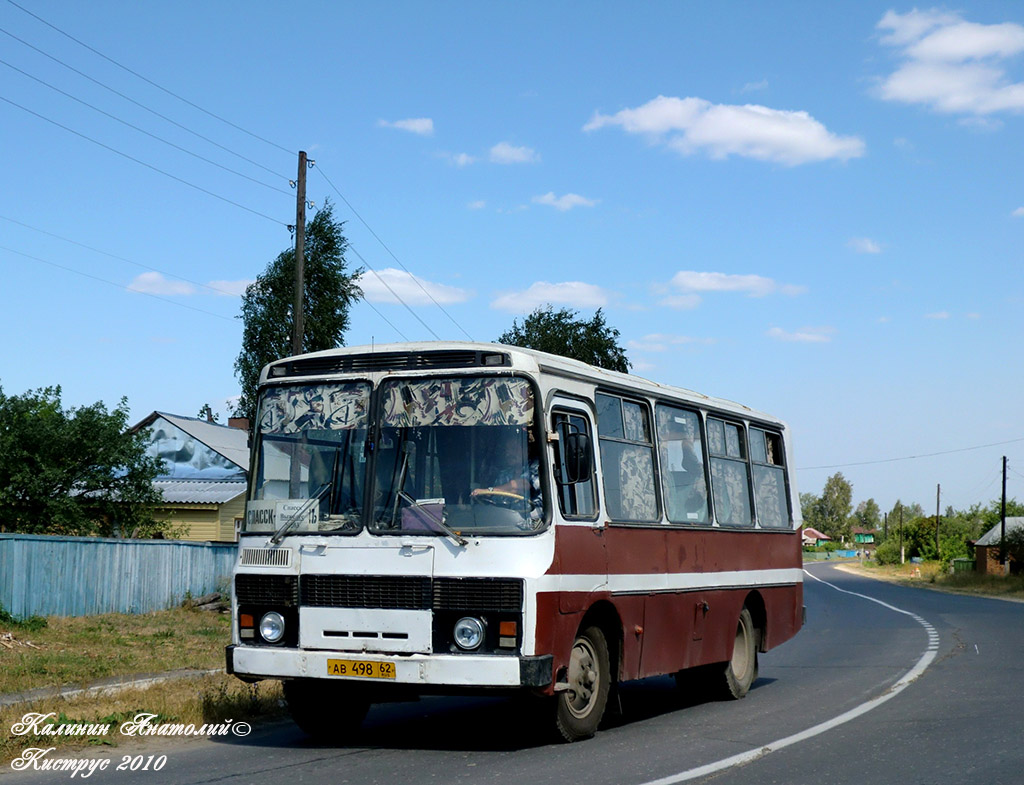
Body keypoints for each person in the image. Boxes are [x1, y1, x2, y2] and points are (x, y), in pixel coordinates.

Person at [471, 429, 542, 519]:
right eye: (506, 449)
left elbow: (522, 485)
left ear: (527, 450)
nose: (508, 453)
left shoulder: (536, 466)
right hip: (509, 523)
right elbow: (496, 500)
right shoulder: (504, 474)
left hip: (536, 524)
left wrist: (490, 491)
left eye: (513, 448)